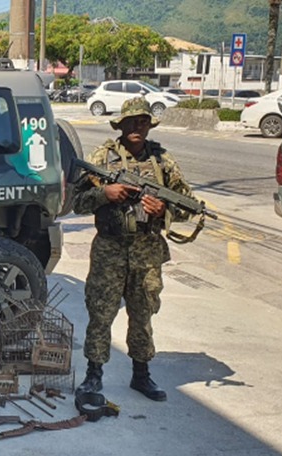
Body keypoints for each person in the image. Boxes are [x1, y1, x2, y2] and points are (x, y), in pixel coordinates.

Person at [70, 96, 195, 402]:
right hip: (109, 249)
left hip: (147, 250)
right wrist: (104, 193)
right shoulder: (103, 157)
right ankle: (93, 375)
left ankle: (141, 374)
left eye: (142, 121)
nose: (137, 127)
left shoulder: (163, 162)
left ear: (149, 125)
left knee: (143, 314)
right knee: (101, 312)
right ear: (121, 125)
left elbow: (187, 207)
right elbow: (77, 203)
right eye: (131, 121)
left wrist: (162, 210)